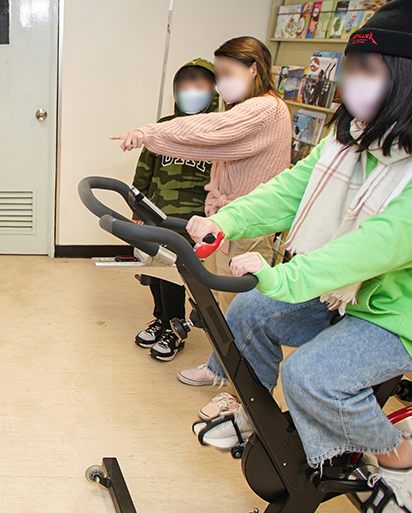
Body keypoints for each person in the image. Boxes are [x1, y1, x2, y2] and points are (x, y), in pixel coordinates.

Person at [184, 0, 412, 513]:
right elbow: (297, 185)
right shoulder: (365, 130)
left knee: (314, 376)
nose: (350, 83)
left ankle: (408, 461)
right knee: (249, 312)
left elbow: (389, 240)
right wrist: (229, 221)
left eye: (367, 70)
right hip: (362, 286)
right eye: (352, 68)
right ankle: (262, 421)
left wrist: (287, 275)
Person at [112, 36, 291, 318]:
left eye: (227, 74)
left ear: (254, 69)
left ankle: (232, 362)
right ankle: (217, 363)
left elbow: (211, 130)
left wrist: (149, 133)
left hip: (250, 223)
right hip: (231, 219)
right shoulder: (251, 107)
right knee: (221, 300)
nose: (222, 83)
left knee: (237, 307)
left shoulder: (266, 108)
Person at [132, 59, 219, 362]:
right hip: (158, 215)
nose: (191, 92)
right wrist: (137, 210)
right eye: (185, 85)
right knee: (156, 272)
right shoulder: (163, 128)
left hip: (194, 221)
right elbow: (145, 170)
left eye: (199, 86)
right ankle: (161, 319)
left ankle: (176, 329)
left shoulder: (219, 130)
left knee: (177, 277)